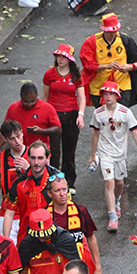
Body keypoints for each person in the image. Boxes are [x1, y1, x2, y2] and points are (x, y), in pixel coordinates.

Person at [86, 83, 137, 231]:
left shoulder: (125, 112)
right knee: (109, 183)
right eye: (104, 94)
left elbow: (135, 132)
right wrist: (93, 155)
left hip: (120, 154)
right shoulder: (98, 113)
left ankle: (117, 201)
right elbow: (95, 134)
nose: (107, 96)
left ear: (117, 96)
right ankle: (112, 217)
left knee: (119, 183)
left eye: (110, 94)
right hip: (105, 153)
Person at [41, 46, 87, 189]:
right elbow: (45, 97)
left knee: (69, 150)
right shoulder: (49, 74)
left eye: (63, 57)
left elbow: (82, 98)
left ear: (70, 59)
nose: (60, 59)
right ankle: (52, 181)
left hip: (71, 115)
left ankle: (69, 182)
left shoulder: (76, 76)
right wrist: (43, 116)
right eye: (58, 57)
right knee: (54, 150)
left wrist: (81, 115)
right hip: (54, 115)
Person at [78, 12, 137, 108]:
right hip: (99, 87)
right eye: (109, 32)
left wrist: (130, 67)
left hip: (122, 86)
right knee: (102, 117)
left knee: (121, 116)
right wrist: (107, 66)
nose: (112, 34)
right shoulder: (92, 41)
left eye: (114, 31)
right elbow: (88, 65)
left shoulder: (125, 40)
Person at [6, 81, 61, 161]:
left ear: (37, 96)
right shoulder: (13, 108)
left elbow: (58, 129)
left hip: (40, 155)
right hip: (19, 154)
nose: (29, 104)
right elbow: (5, 129)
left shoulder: (48, 108)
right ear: (21, 97)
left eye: (32, 101)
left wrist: (41, 131)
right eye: (25, 101)